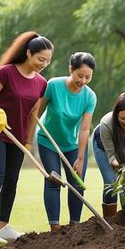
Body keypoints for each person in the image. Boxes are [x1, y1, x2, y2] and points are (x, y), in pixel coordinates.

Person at [0, 32, 53, 244]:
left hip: (17, 136)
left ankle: (3, 227)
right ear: (28, 53)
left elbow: (33, 114)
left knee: (11, 181)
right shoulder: (5, 73)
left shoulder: (41, 82)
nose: (44, 64)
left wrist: (29, 140)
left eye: (48, 60)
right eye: (40, 59)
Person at [37, 52, 97, 232]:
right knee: (53, 181)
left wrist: (80, 158)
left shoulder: (89, 96)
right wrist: (27, 138)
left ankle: (74, 228)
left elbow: (85, 129)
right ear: (71, 69)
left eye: (88, 77)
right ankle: (54, 229)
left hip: (73, 145)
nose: (84, 80)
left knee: (77, 185)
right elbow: (36, 113)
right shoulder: (53, 85)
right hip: (48, 141)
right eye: (80, 75)